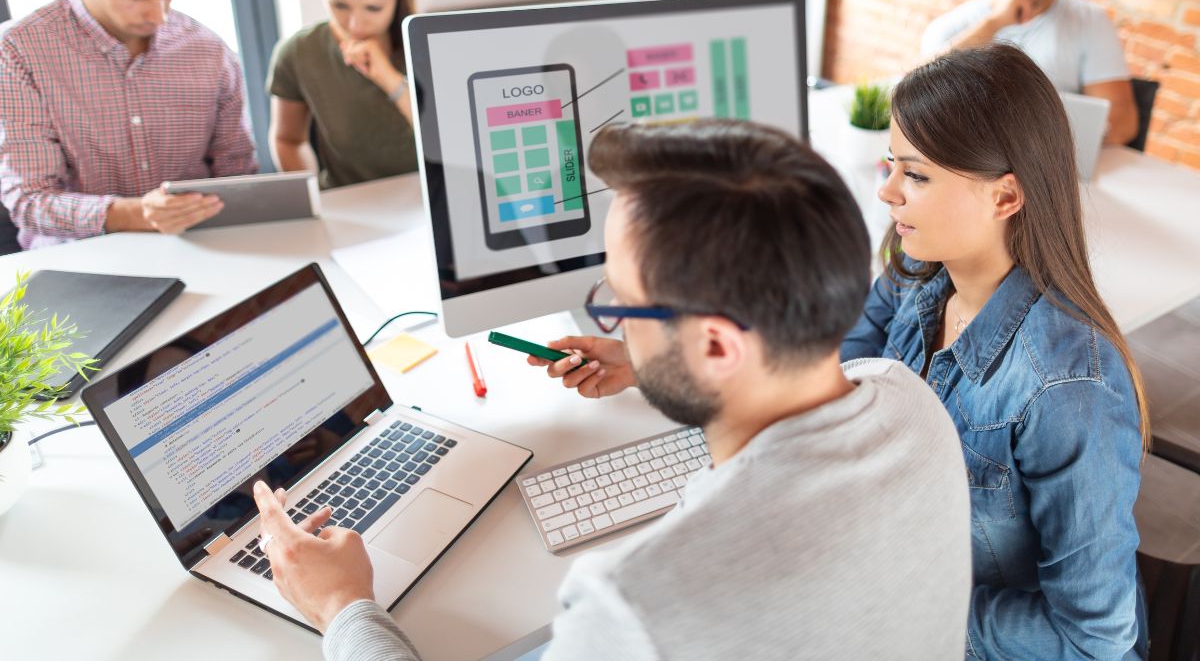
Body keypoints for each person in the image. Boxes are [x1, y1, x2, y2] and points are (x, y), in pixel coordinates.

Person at [252, 120, 974, 659]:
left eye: (622, 305)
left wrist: (343, 605)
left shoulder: (634, 606)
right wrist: (659, 361)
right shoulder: (911, 403)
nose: (616, 326)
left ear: (718, 346)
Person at [537, 46, 1149, 658]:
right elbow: (809, 366)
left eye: (915, 174)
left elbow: (1095, 636)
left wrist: (891, 594)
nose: (886, 192)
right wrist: (653, 359)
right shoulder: (919, 275)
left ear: (1005, 198)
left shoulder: (1068, 387)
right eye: (890, 164)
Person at [0, 0, 258, 249]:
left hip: (199, 249)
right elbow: (29, 201)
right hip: (79, 261)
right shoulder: (17, 50)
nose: (159, 15)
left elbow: (238, 174)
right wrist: (136, 214)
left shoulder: (210, 51)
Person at [921, 0, 1137, 146]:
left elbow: (1123, 123)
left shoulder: (1090, 21)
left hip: (1051, 165)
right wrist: (994, 23)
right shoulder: (955, 24)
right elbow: (919, 87)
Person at [267, 0, 419, 189]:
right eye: (339, 5)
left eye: (373, 8)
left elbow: (448, 143)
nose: (355, 25)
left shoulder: (425, 43)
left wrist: (390, 79)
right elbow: (288, 140)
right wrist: (314, 197)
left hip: (424, 199)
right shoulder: (299, 53)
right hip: (347, 204)